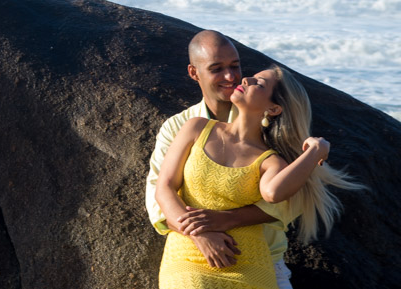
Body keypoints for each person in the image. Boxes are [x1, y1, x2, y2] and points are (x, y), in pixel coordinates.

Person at [153, 58, 362, 289]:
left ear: (273, 109)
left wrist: (315, 151)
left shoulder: (270, 161)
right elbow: (164, 187)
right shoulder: (196, 127)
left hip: (248, 262)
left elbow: (273, 193)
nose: (245, 79)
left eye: (259, 84)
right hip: (187, 257)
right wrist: (200, 235)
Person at [145, 31, 298, 288]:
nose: (230, 76)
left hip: (263, 260)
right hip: (191, 256)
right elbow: (157, 196)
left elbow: (292, 199)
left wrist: (228, 219)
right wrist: (201, 234)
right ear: (194, 73)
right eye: (217, 69)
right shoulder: (180, 126)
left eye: (235, 66)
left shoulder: (274, 130)